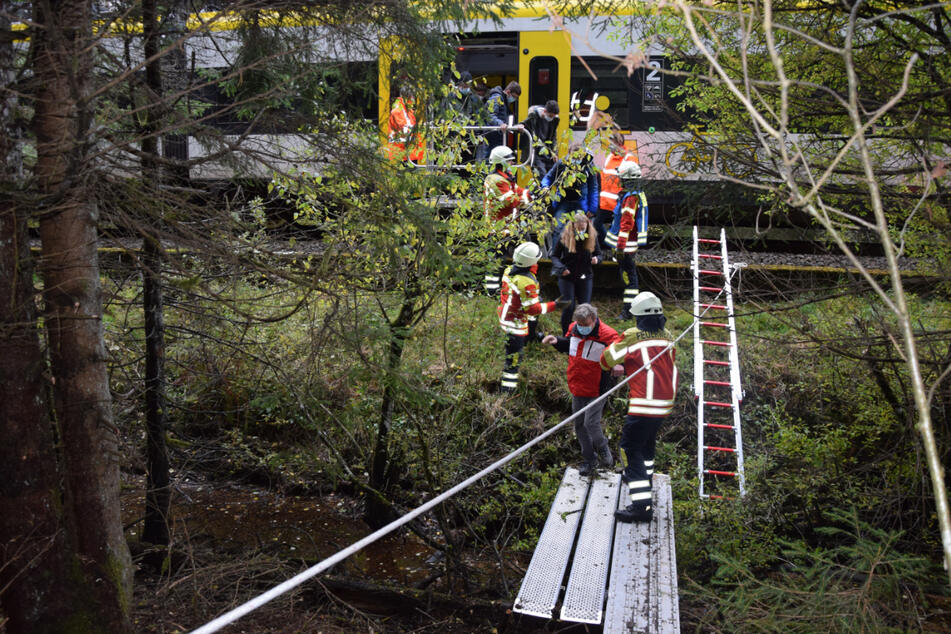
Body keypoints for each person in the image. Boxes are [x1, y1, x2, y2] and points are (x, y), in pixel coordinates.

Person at [599, 292, 678, 523]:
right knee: (646, 443)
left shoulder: (632, 336)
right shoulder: (669, 335)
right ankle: (645, 475)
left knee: (628, 448)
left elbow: (606, 360)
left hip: (644, 404)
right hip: (664, 404)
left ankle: (641, 507)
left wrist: (625, 358)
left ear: (638, 317)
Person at [542, 303, 619, 476]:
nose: (581, 328)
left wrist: (619, 365)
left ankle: (603, 448)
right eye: (579, 324)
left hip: (598, 388)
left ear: (594, 319)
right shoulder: (573, 328)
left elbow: (620, 355)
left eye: (585, 325)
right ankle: (589, 459)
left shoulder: (608, 335)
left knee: (590, 423)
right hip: (577, 385)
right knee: (579, 425)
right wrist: (556, 341)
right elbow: (570, 346)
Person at [498, 242, 567, 393]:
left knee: (528, 328)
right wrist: (555, 305)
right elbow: (533, 310)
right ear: (531, 262)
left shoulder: (509, 270)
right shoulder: (526, 282)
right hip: (515, 324)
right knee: (514, 357)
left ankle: (530, 337)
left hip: (508, 315)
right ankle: (507, 389)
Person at [483, 145, 531, 295]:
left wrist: (529, 193)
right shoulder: (496, 180)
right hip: (498, 229)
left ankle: (516, 286)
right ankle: (492, 291)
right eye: (509, 161)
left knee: (521, 252)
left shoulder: (505, 178)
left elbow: (519, 192)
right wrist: (530, 197)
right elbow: (511, 201)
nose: (512, 164)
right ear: (501, 162)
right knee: (497, 261)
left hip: (509, 227)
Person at [605, 162, 648, 320]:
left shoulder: (631, 198)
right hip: (625, 246)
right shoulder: (632, 195)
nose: (620, 181)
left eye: (622, 178)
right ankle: (628, 310)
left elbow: (626, 223)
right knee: (628, 277)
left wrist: (621, 247)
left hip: (626, 247)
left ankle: (628, 312)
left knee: (630, 280)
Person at [549, 211, 602, 335]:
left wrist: (597, 259)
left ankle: (585, 334)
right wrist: (562, 268)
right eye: (579, 229)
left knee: (585, 308)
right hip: (567, 276)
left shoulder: (592, 236)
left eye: (584, 228)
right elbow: (554, 256)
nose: (582, 231)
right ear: (573, 226)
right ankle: (566, 335)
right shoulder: (565, 237)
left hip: (585, 277)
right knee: (569, 305)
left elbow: (599, 254)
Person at [540, 143, 600, 249]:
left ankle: (579, 255)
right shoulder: (562, 164)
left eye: (579, 157)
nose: (576, 159)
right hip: (563, 203)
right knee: (558, 229)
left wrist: (593, 208)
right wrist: (545, 187)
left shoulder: (588, 166)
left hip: (580, 204)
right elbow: (548, 177)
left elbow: (593, 188)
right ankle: (555, 254)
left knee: (580, 230)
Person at [597, 132, 640, 251]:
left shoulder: (629, 158)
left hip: (619, 201)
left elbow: (631, 180)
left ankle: (613, 249)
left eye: (612, 142)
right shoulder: (610, 156)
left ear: (619, 143)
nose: (610, 145)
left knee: (615, 228)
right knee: (597, 224)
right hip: (605, 201)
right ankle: (609, 246)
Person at [440, 70, 483, 164]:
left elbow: (478, 117)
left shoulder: (474, 98)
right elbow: (444, 114)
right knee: (453, 163)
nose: (466, 88)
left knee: (468, 163)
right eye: (464, 86)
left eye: (468, 86)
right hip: (452, 137)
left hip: (469, 138)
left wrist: (477, 132)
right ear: (459, 84)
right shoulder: (450, 97)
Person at [477, 81, 521, 161]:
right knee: (489, 160)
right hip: (492, 137)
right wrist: (500, 124)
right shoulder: (496, 98)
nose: (514, 99)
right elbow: (490, 115)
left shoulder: (504, 100)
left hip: (497, 136)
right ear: (508, 92)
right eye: (514, 97)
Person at [519, 100, 560, 178]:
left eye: (553, 116)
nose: (551, 118)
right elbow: (524, 124)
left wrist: (555, 153)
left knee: (554, 175)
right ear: (544, 111)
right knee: (542, 175)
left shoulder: (554, 120)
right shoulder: (534, 116)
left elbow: (554, 137)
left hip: (547, 152)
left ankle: (536, 189)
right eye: (550, 116)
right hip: (535, 151)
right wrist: (520, 126)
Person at [384, 85, 424, 163]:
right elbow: (404, 131)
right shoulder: (398, 111)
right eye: (412, 97)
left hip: (409, 153)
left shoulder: (407, 110)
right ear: (407, 97)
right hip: (402, 154)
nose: (413, 100)